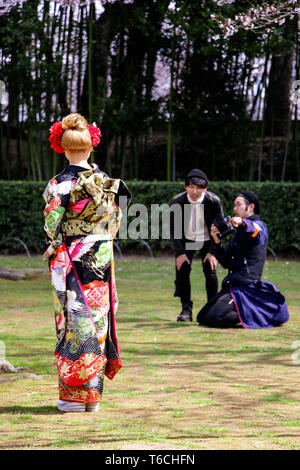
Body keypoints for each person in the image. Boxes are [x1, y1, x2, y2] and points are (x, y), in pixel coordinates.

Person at [43, 113, 131, 412]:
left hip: (69, 258)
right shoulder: (106, 181)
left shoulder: (59, 185)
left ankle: (72, 398)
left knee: (72, 324)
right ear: (91, 147)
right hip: (101, 258)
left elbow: (50, 225)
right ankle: (92, 399)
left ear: (63, 148)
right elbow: (115, 220)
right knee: (97, 322)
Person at [197, 190, 289, 329]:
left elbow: (255, 231)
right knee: (202, 317)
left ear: (251, 207)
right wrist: (216, 241)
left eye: (238, 205)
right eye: (234, 205)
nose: (234, 209)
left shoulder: (259, 226)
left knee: (214, 318)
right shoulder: (237, 234)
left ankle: (258, 312)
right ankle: (248, 312)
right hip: (232, 287)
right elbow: (227, 262)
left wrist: (243, 223)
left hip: (247, 289)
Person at [170, 169, 224, 322]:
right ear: (186, 187)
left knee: (210, 270)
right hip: (186, 240)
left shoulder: (213, 201)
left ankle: (211, 307)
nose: (195, 191)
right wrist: (180, 253)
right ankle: (186, 308)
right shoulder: (178, 202)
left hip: (208, 240)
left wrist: (213, 251)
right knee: (182, 270)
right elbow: (174, 229)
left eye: (199, 188)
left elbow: (220, 228)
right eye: (191, 187)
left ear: (205, 189)